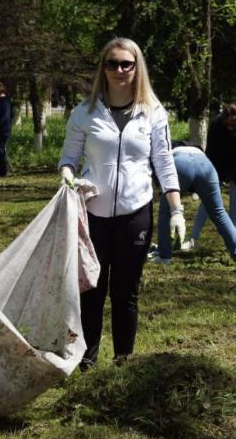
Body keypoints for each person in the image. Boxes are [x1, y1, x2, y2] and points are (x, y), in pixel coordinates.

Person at [58, 37, 185, 370]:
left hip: (135, 215)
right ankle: (87, 361)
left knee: (126, 292)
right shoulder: (83, 112)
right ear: (103, 67)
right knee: (92, 290)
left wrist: (177, 210)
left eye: (126, 64)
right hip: (93, 216)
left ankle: (123, 362)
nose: (119, 70)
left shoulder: (153, 112)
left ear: (136, 67)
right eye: (112, 63)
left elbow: (164, 162)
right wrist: (68, 177)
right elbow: (69, 158)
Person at [153, 143, 236, 266]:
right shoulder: (198, 152)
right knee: (219, 213)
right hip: (206, 166)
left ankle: (164, 256)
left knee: (166, 210)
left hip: (179, 164)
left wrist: (157, 188)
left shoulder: (170, 149)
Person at [184, 104, 236, 250]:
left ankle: (231, 239)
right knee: (208, 201)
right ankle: (193, 238)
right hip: (218, 165)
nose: (232, 128)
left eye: (235, 124)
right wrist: (202, 176)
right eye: (228, 125)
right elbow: (210, 151)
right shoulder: (216, 124)